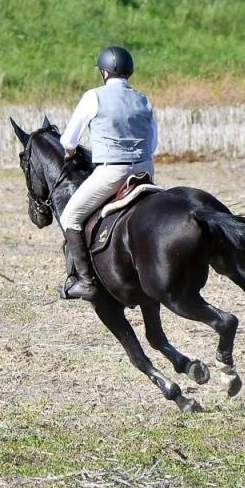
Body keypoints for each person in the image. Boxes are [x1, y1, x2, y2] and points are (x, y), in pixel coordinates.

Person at [56, 46, 160, 301]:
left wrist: (70, 154)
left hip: (112, 173)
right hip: (144, 170)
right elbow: (153, 143)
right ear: (129, 72)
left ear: (104, 72)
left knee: (71, 217)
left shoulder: (93, 97)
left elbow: (68, 140)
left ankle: (86, 282)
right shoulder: (143, 99)